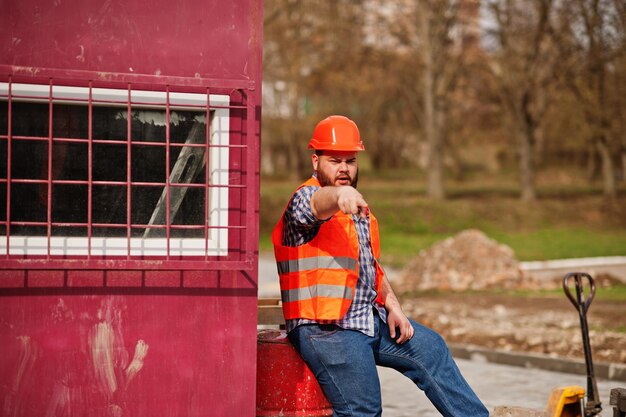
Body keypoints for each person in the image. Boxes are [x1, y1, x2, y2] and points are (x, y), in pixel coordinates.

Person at [272, 115, 490, 417]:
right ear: (315, 161)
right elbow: (316, 204)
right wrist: (340, 194)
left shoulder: (358, 211)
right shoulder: (306, 199)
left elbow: (368, 266)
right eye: (334, 160)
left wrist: (391, 303)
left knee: (431, 350)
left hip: (364, 318)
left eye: (350, 160)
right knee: (363, 409)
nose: (344, 168)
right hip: (326, 329)